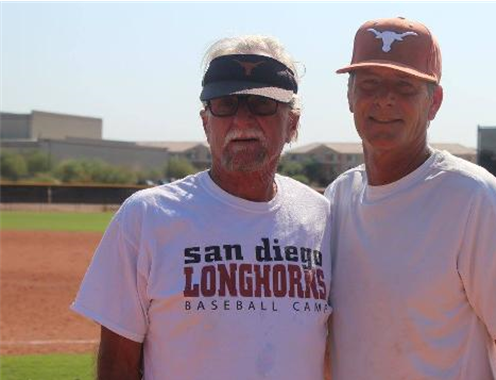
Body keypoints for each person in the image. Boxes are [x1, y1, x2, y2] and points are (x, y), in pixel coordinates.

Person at [72, 35, 332, 380]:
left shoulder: (323, 218)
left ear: (293, 124)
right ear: (205, 122)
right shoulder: (146, 217)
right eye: (225, 104)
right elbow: (117, 364)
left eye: (262, 104)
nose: (242, 121)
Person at [325, 17, 496, 380]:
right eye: (369, 84)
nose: (385, 99)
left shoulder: (475, 197)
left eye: (405, 86)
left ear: (435, 102)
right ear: (350, 97)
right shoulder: (338, 197)